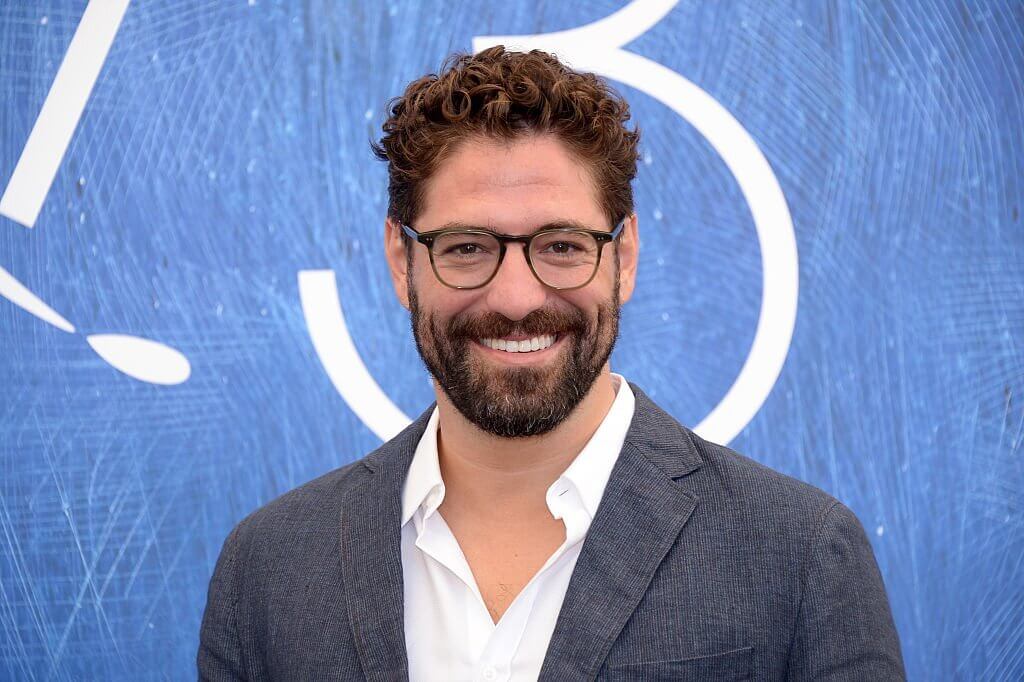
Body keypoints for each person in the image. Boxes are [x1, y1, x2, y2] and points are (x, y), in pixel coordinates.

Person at [198, 46, 905, 681]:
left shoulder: (799, 556)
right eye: (467, 248)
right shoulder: (270, 568)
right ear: (401, 261)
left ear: (624, 256)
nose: (516, 298)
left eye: (562, 246)